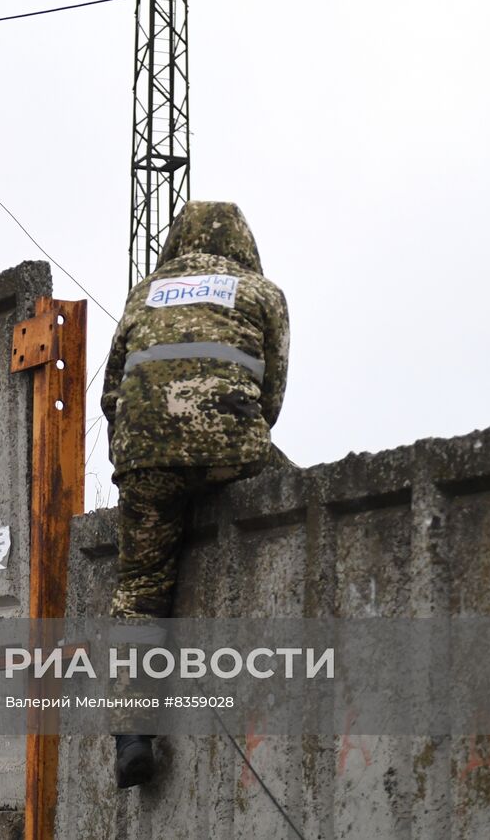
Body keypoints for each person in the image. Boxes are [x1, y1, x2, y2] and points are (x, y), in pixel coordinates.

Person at [99, 201, 290, 788]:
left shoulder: (142, 295)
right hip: (230, 444)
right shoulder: (263, 293)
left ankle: (134, 735)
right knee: (292, 487)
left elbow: (110, 395)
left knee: (139, 588)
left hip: (145, 456)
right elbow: (272, 396)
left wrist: (143, 449)